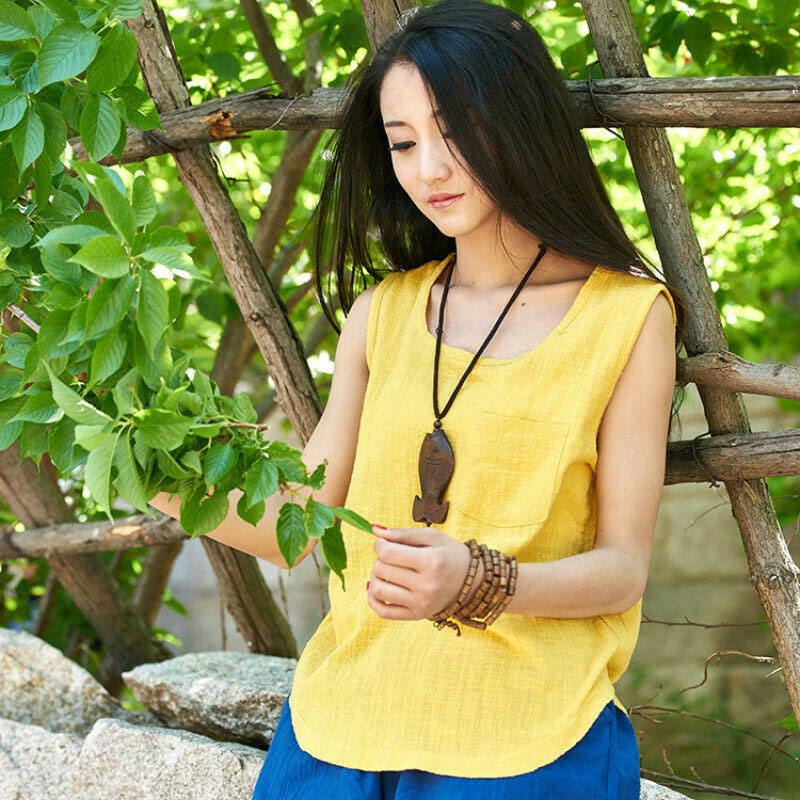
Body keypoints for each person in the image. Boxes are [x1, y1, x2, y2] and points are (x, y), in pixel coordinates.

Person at [152, 1, 687, 797]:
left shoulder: (627, 316)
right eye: (403, 143)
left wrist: (479, 579)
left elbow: (621, 570)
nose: (429, 168)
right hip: (339, 729)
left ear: (522, 123)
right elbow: (298, 525)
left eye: (455, 132)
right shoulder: (384, 314)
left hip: (525, 737)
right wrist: (137, 462)